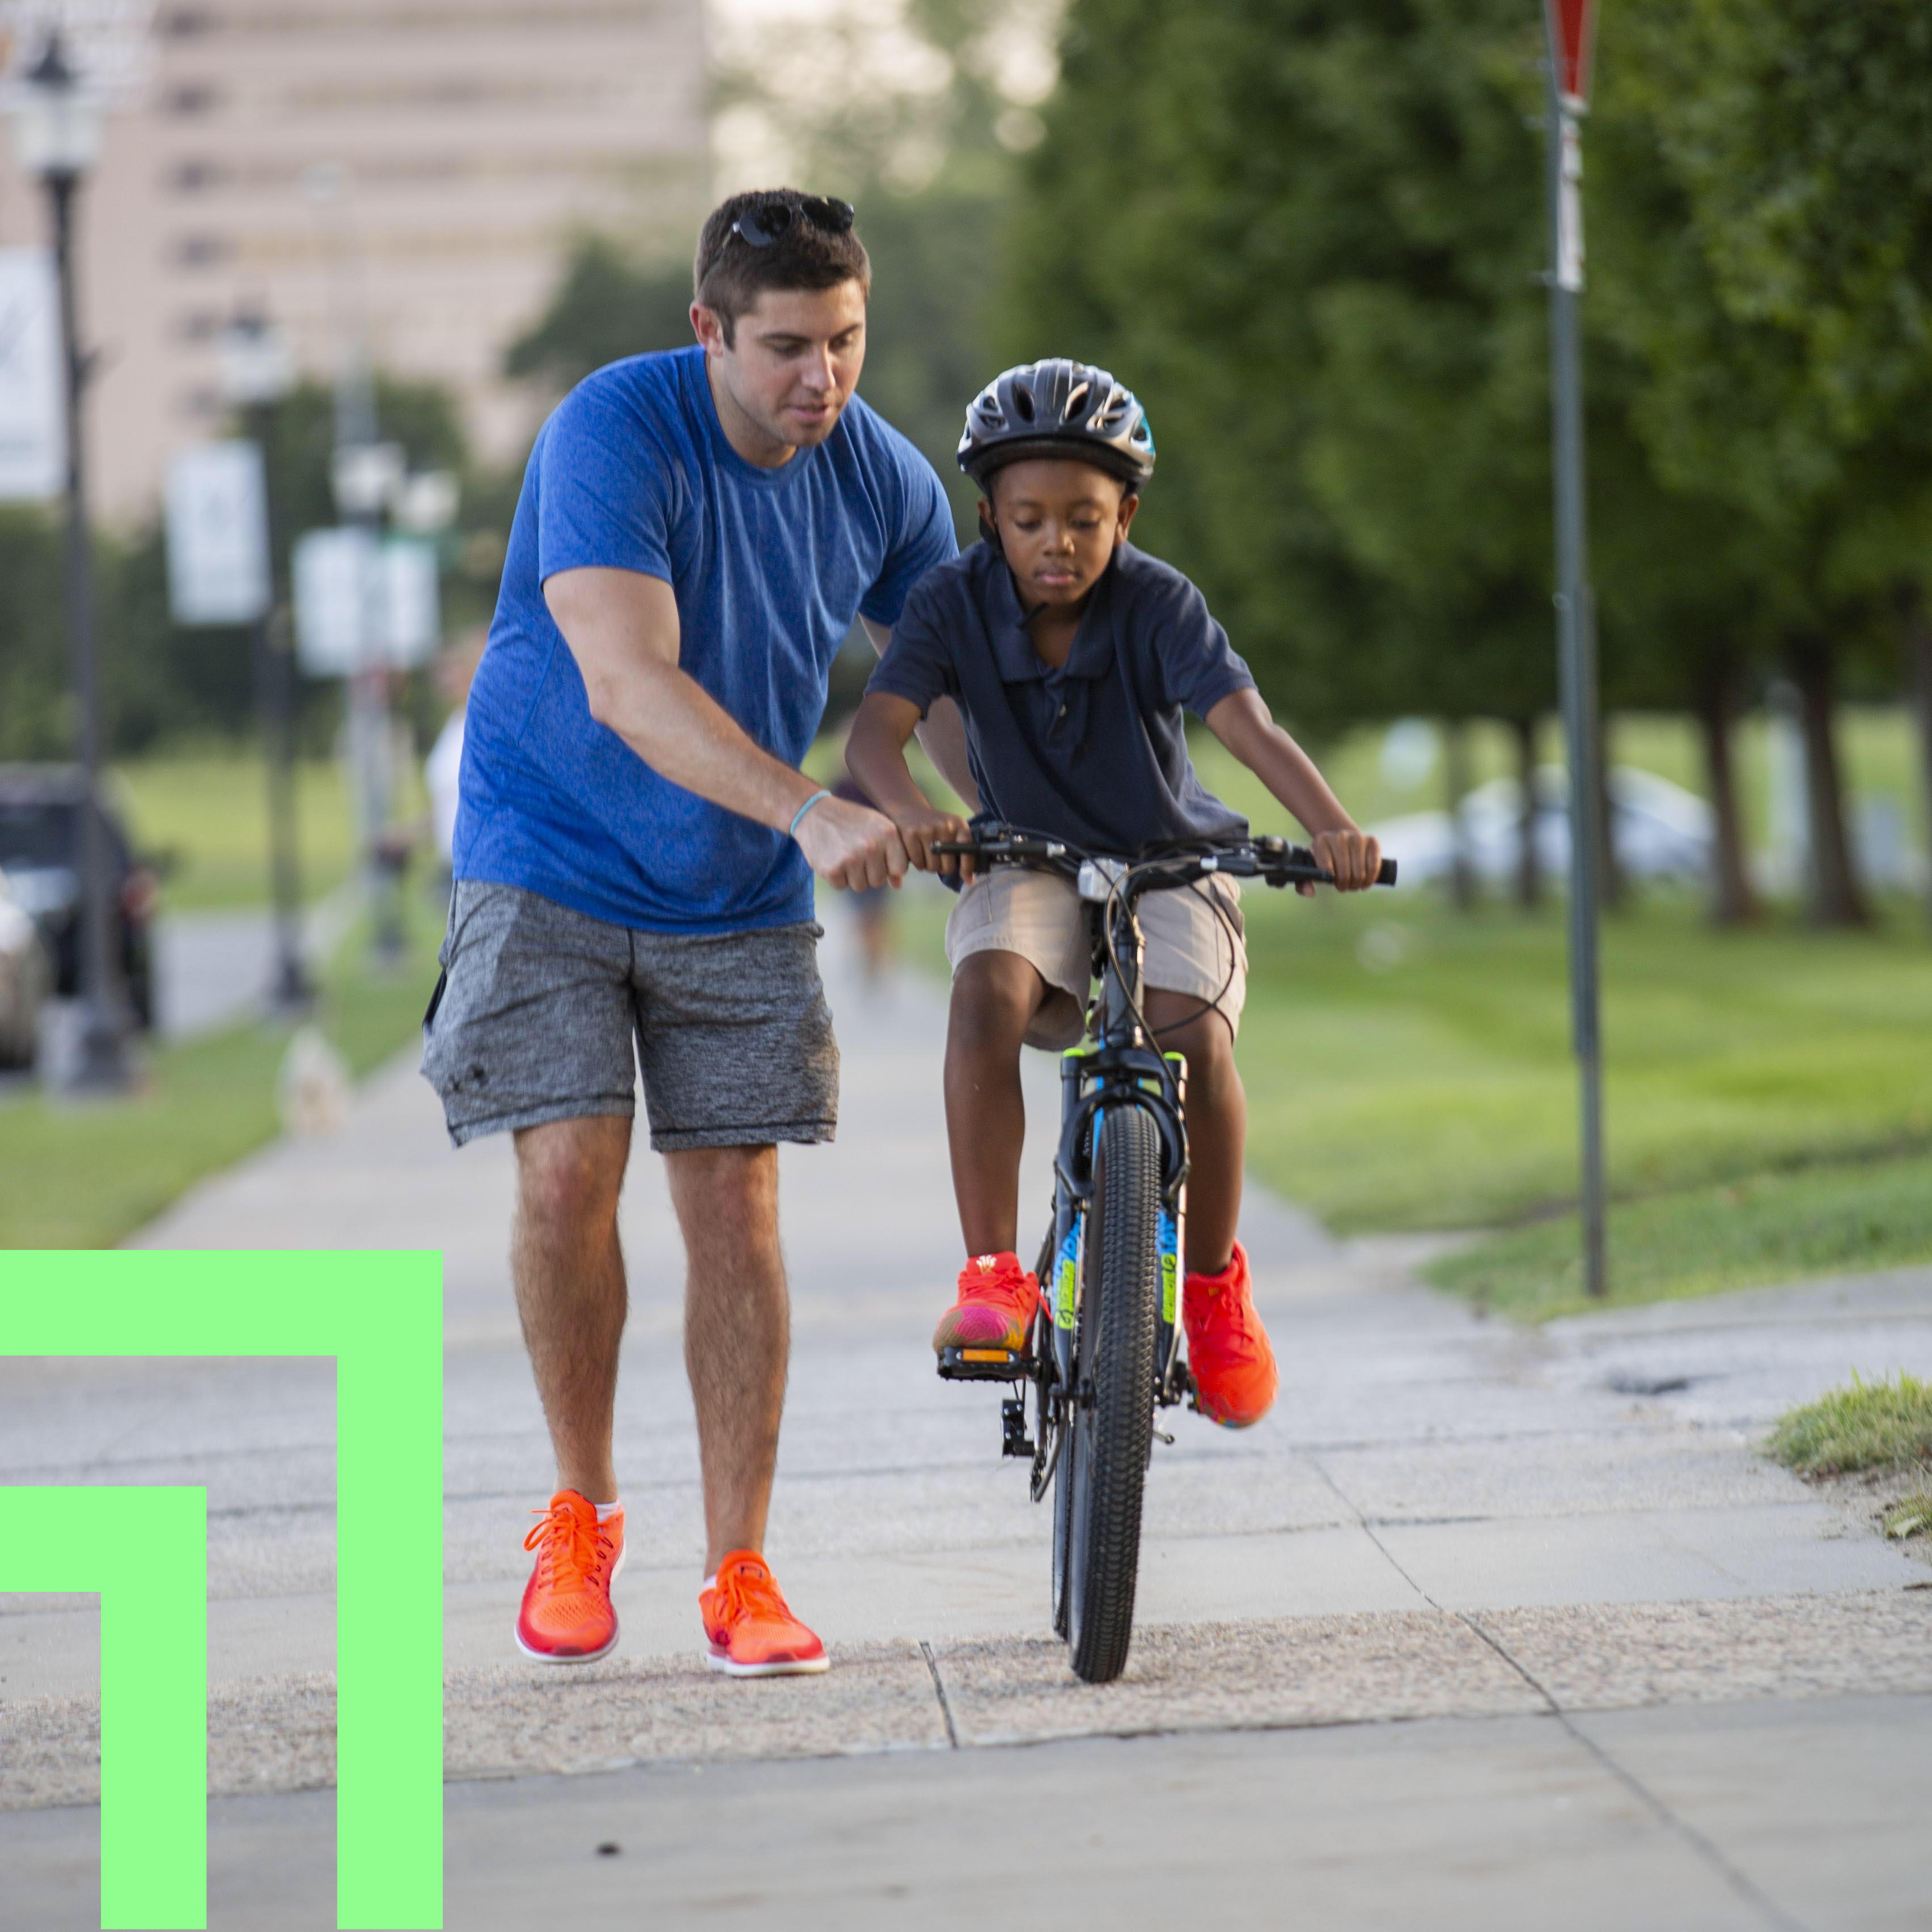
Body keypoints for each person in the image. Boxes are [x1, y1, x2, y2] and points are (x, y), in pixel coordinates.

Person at [422, 189, 972, 1676]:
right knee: (567, 1168)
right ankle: (582, 1511)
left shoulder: (874, 473)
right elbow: (627, 680)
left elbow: (953, 692)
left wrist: (1000, 836)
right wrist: (813, 810)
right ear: (708, 333)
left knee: (735, 1203)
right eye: (788, 347)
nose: (824, 381)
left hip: (731, 888)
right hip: (550, 850)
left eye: (847, 341)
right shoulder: (613, 431)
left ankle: (740, 1567)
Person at [845, 358, 1381, 1428]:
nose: (1058, 543)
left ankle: (1216, 1284)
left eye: (1086, 519)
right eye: (1031, 518)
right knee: (988, 991)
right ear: (989, 515)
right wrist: (910, 812)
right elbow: (875, 734)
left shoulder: (1157, 602)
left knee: (1193, 1036)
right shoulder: (950, 601)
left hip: (1165, 856)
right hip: (1028, 857)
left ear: (1126, 515)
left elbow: (1245, 725)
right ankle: (995, 1275)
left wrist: (1330, 826)